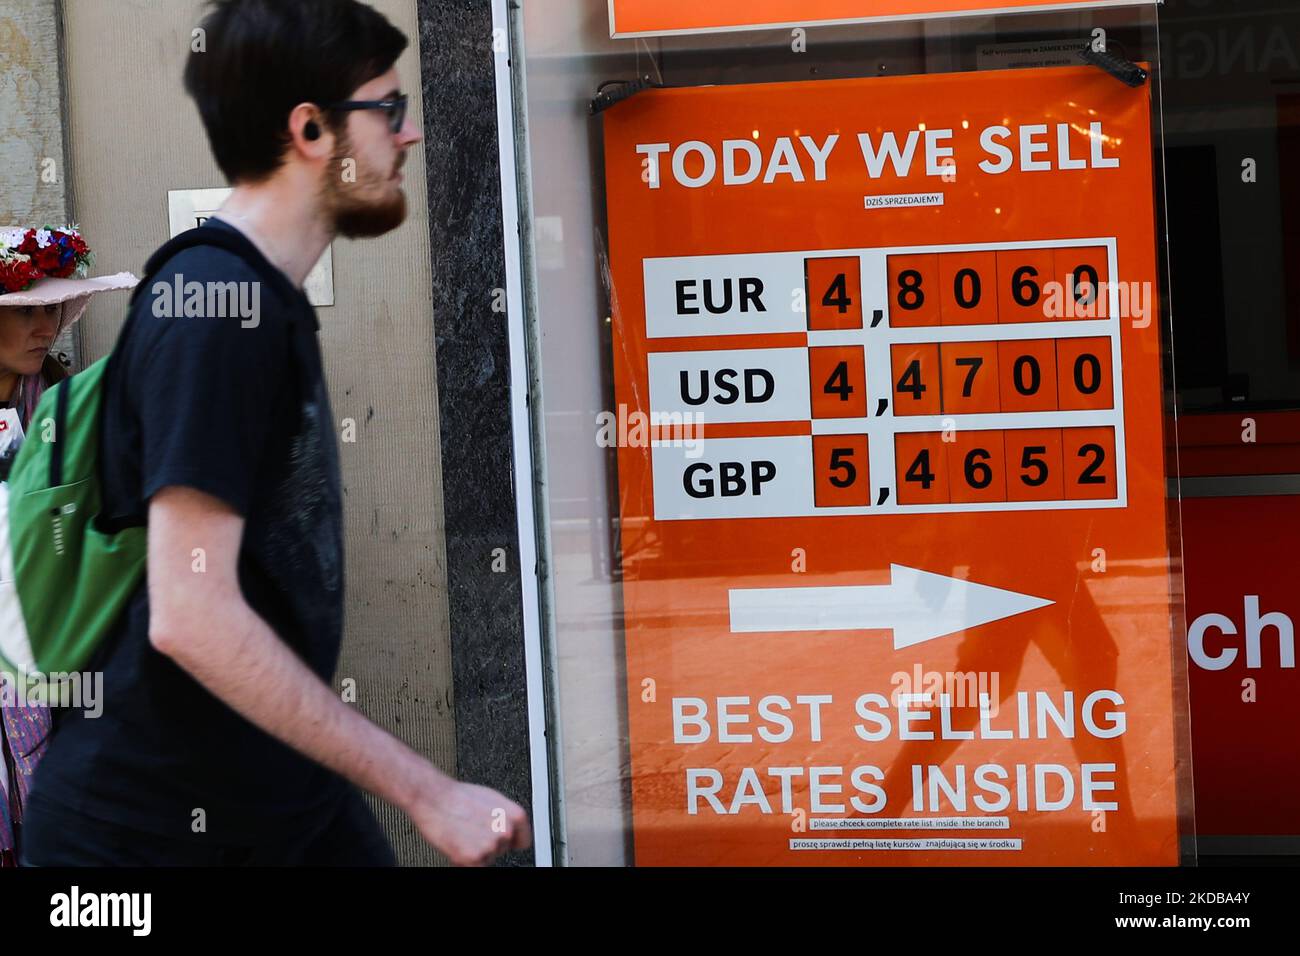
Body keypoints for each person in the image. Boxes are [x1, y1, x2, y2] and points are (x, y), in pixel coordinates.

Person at [21, 0, 530, 867]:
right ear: (310, 129)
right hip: (141, 840)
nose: (406, 138)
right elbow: (192, 613)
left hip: (271, 800)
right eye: (388, 109)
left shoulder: (259, 299)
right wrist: (426, 789)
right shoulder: (219, 308)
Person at [0, 252, 137, 866]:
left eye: (53, 309)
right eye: (27, 311)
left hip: (68, 647)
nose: (46, 327)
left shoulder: (69, 404)